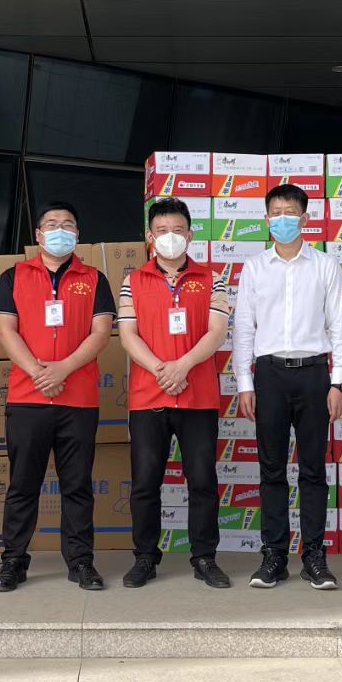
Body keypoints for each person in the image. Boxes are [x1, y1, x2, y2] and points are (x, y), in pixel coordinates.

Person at [0, 200, 116, 591]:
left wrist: (62, 369)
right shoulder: (14, 276)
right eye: (51, 224)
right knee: (22, 484)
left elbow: (101, 333)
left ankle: (81, 562)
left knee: (77, 485)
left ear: (78, 234)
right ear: (38, 234)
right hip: (27, 398)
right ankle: (13, 562)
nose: (60, 230)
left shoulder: (95, 279)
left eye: (68, 225)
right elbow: (6, 330)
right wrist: (38, 372)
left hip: (77, 398)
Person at [232, 183, 342, 590]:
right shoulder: (254, 268)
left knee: (313, 470)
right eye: (275, 213)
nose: (282, 219)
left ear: (305, 218)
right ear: (266, 219)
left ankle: (314, 556)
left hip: (314, 375)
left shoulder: (325, 266)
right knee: (272, 470)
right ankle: (274, 556)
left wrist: (338, 382)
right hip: (269, 376)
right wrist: (245, 382)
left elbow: (340, 329)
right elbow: (244, 329)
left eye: (290, 212)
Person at [119, 198, 232, 589]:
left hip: (198, 395)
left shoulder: (212, 279)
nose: (170, 237)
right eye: (162, 231)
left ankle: (204, 558)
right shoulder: (133, 281)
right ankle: (145, 558)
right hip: (148, 396)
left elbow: (217, 332)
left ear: (190, 234)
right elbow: (128, 334)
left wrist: (182, 366)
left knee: (202, 480)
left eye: (178, 230)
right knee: (145, 482)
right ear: (150, 236)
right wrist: (161, 370)